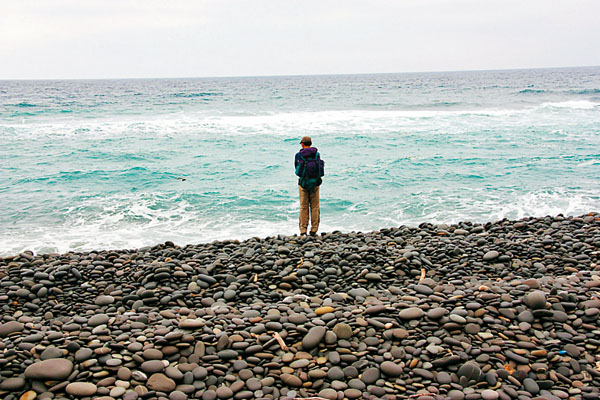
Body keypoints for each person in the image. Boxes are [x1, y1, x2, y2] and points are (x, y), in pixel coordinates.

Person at [294, 136, 324, 236]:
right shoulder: (316, 154)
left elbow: (296, 169)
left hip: (303, 183)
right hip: (315, 182)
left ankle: (303, 229)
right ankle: (314, 229)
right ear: (310, 143)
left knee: (304, 207)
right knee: (315, 207)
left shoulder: (299, 155)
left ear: (302, 144)